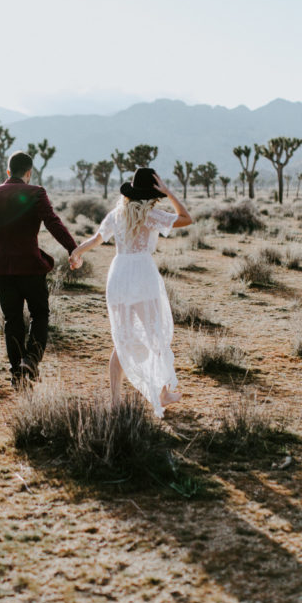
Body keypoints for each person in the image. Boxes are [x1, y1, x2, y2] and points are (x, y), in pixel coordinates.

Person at [68, 167, 193, 417]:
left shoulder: (117, 214)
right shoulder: (152, 214)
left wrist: (76, 253)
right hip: (142, 275)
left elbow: (95, 239)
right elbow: (186, 218)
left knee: (121, 339)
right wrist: (168, 192)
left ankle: (115, 400)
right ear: (152, 194)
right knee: (154, 335)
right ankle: (163, 394)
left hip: (119, 275)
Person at [0, 151, 78, 389]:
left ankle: (17, 375)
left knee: (12, 320)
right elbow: (53, 222)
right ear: (29, 172)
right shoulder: (36, 192)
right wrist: (72, 249)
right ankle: (31, 360)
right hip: (30, 266)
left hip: (2, 268)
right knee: (40, 314)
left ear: (8, 171)